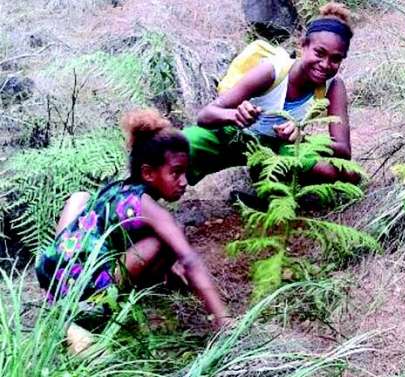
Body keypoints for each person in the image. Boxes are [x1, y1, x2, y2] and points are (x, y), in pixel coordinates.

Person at [35, 109, 229, 332]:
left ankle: (60, 299)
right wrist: (222, 318)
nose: (184, 182)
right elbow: (189, 259)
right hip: (84, 293)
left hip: (53, 273)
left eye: (185, 172)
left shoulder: (118, 189)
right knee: (163, 242)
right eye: (176, 172)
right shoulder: (148, 206)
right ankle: (92, 310)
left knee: (81, 197)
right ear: (148, 173)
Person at [183, 2, 359, 185]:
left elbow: (343, 150)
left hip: (279, 149)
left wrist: (302, 138)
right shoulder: (272, 71)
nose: (325, 64)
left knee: (348, 174)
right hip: (236, 136)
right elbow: (205, 115)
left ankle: (270, 193)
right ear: (303, 46)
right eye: (319, 53)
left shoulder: (333, 86)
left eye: (336, 59)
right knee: (183, 143)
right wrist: (234, 115)